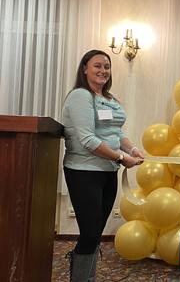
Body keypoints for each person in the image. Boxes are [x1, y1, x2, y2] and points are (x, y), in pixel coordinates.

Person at [62, 49, 144, 282]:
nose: (103, 70)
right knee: (89, 234)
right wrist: (120, 157)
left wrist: (132, 150)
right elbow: (88, 140)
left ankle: (88, 279)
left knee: (95, 234)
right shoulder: (80, 96)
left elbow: (116, 133)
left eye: (106, 66)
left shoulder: (108, 99)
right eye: (97, 65)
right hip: (84, 172)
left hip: (108, 173)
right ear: (85, 68)